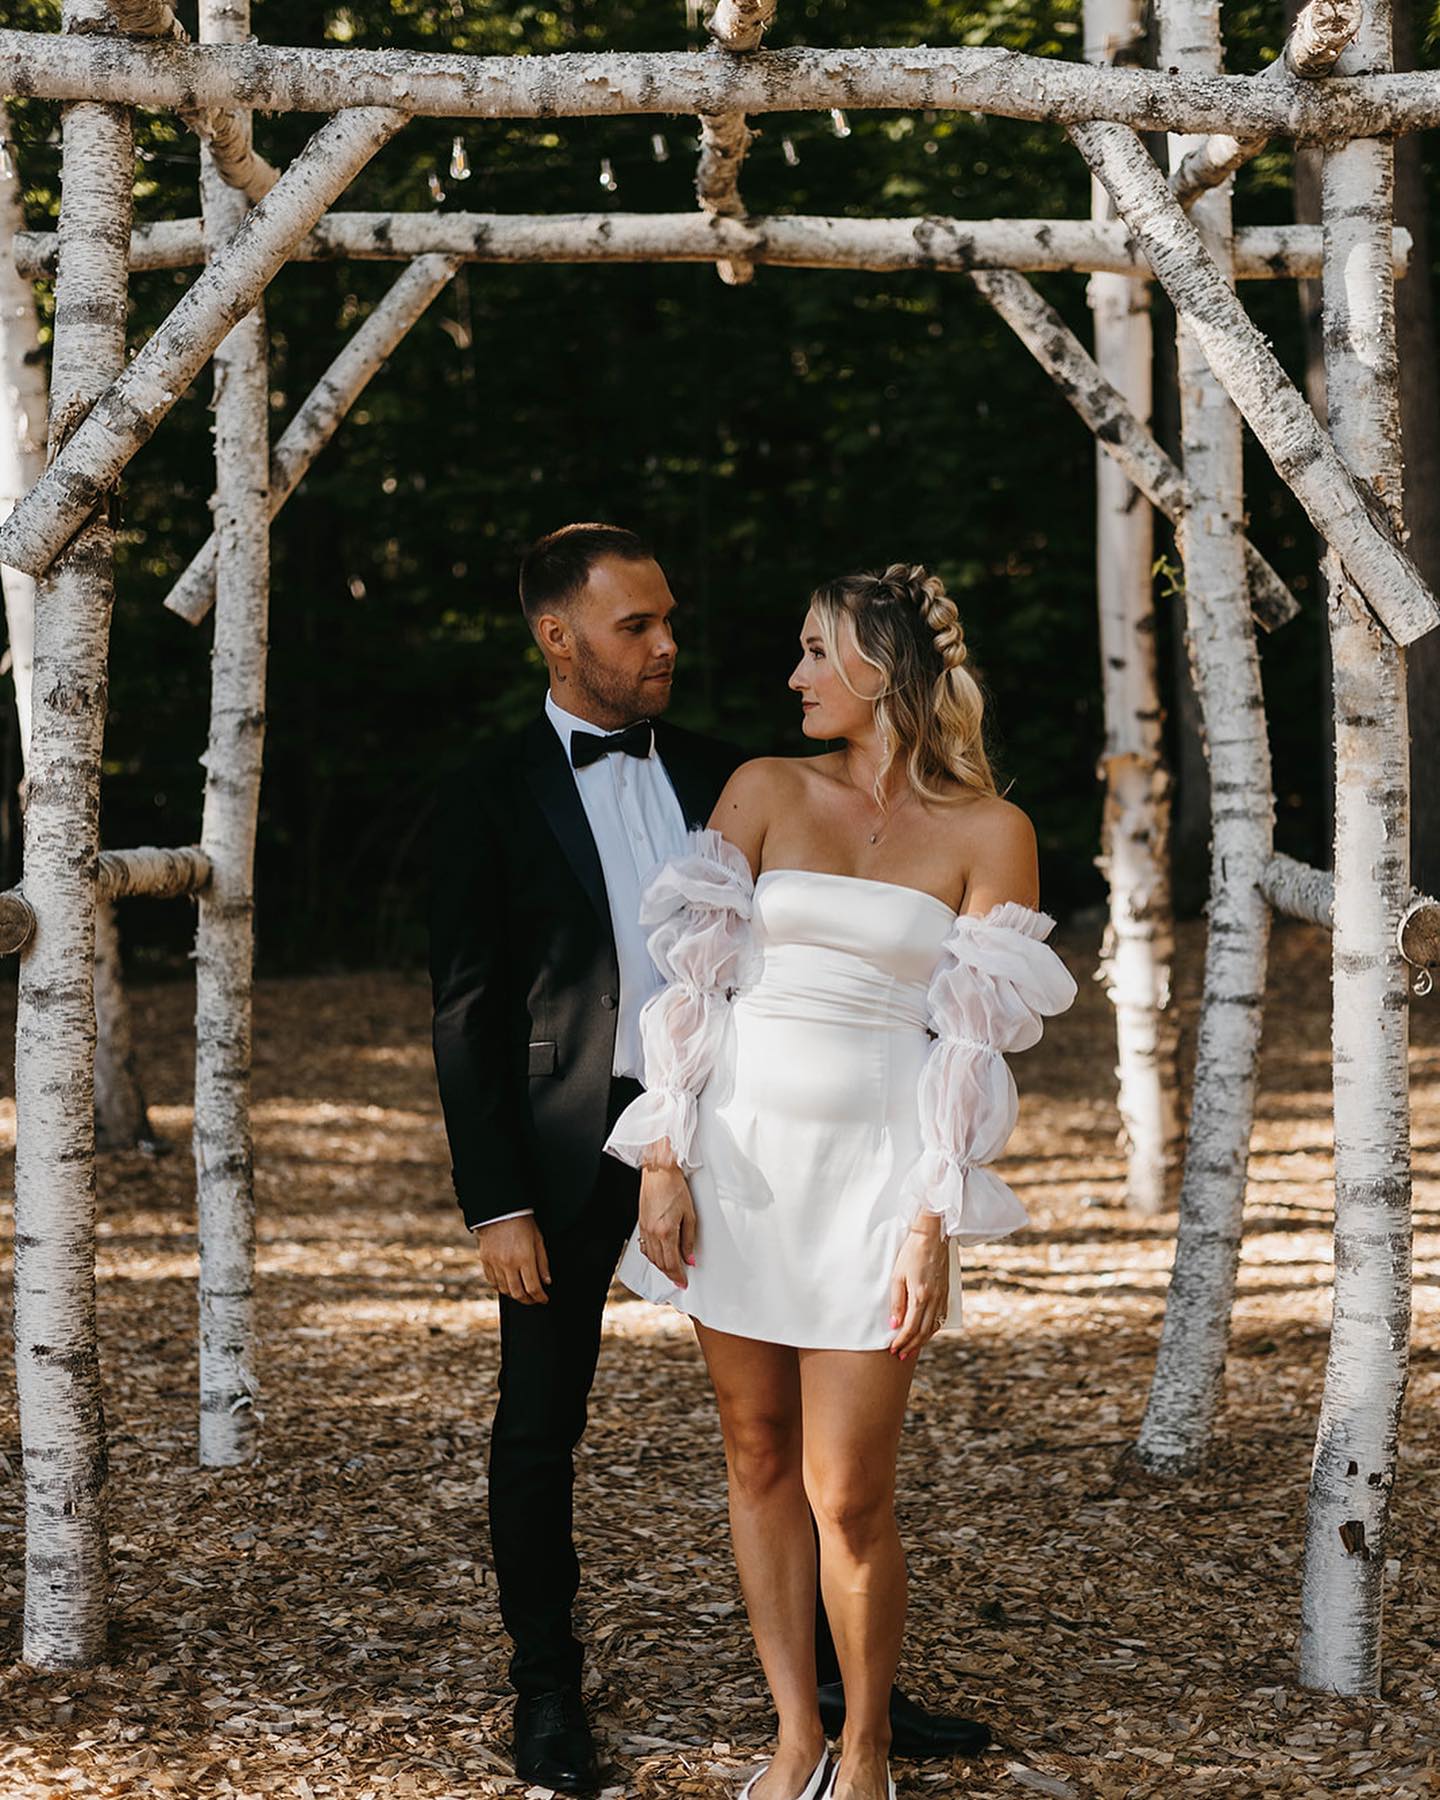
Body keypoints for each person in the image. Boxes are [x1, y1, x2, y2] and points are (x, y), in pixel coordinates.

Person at [428, 529, 987, 1798]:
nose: (668, 643)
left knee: (804, 1447)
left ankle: (853, 1706)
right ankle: (547, 1691)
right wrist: (496, 1200)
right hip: (572, 1147)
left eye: (669, 618)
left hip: (743, 1137)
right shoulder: (481, 790)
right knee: (542, 1426)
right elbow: (465, 1008)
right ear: (558, 638)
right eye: (636, 627)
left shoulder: (735, 768)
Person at [602, 563, 1078, 1800]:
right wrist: (664, 1157)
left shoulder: (992, 833)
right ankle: (795, 1735)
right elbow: (689, 991)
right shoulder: (763, 789)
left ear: (885, 669)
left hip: (876, 1181)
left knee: (851, 1493)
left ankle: (865, 1752)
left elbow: (969, 1051)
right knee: (754, 1453)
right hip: (737, 1165)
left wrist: (934, 1220)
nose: (796, 676)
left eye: (819, 653)